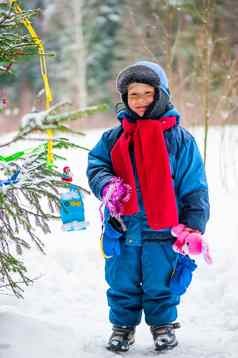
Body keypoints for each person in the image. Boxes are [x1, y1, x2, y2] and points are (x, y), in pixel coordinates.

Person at [87, 61, 210, 353]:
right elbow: (97, 166)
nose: (140, 101)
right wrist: (107, 185)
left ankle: (163, 326)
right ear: (125, 99)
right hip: (123, 226)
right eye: (133, 95)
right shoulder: (113, 138)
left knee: (161, 282)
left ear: (161, 94)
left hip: (165, 228)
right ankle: (122, 327)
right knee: (121, 280)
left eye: (147, 93)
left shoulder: (180, 141)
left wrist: (194, 223)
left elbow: (194, 184)